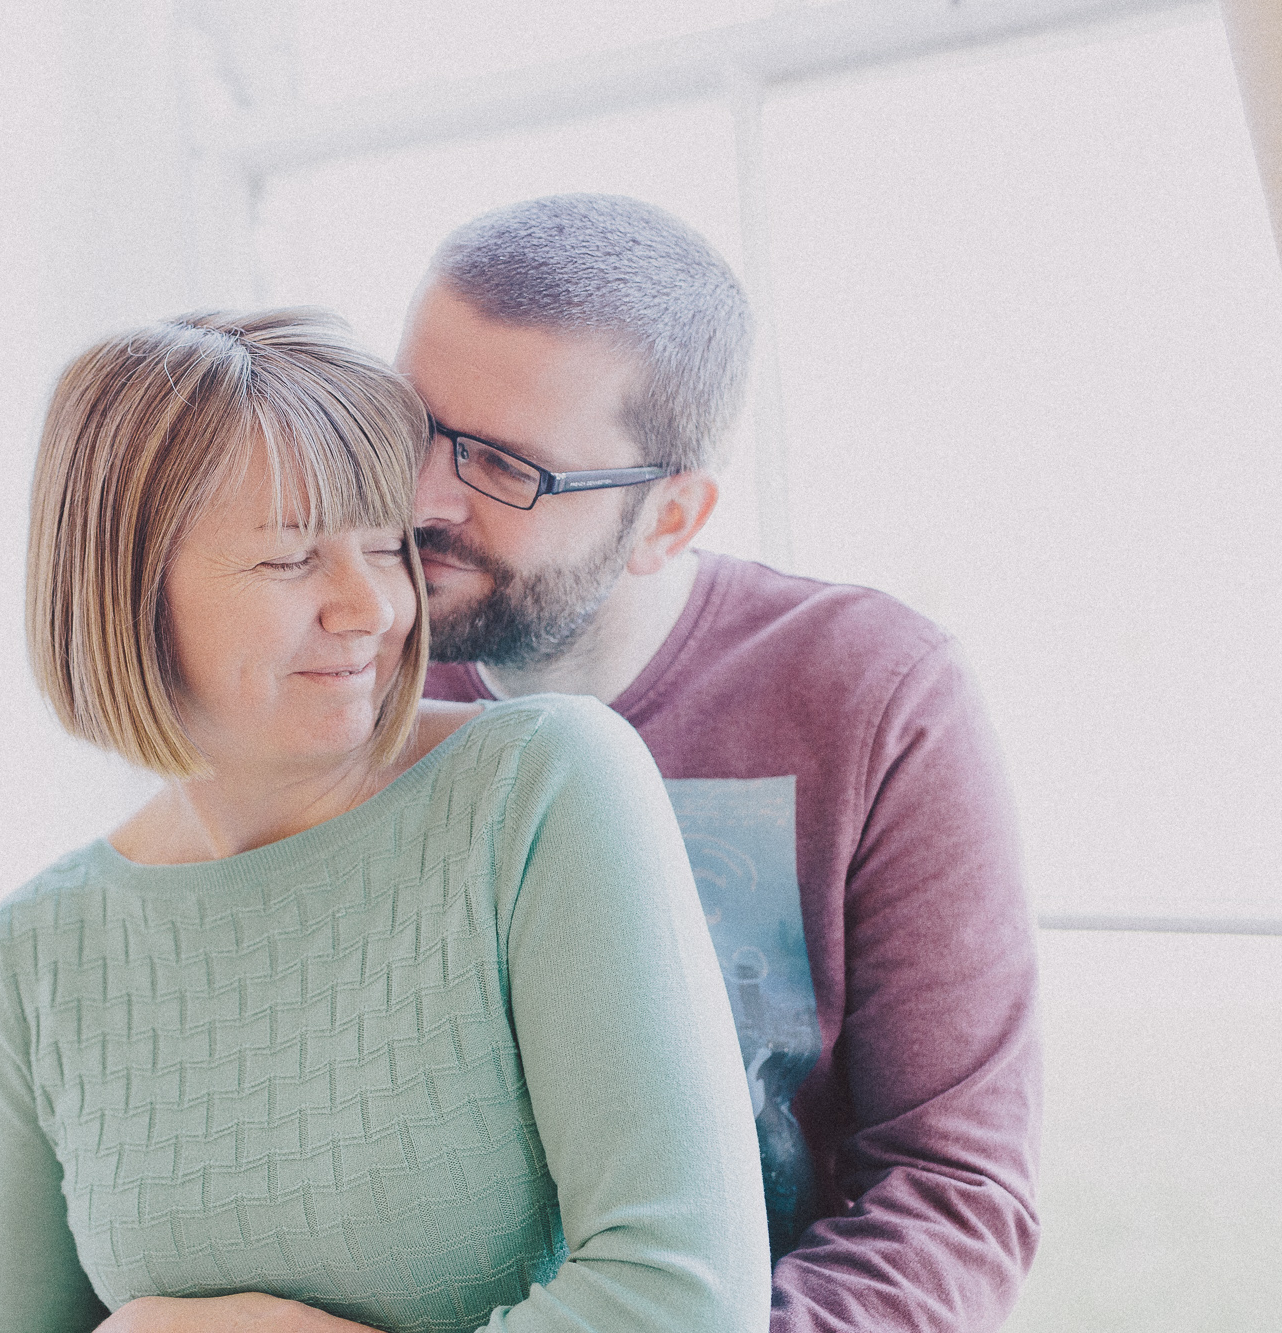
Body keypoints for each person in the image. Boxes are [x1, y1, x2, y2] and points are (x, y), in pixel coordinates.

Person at [0, 308, 770, 1333]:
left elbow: (681, 1303)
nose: (373, 607)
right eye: (291, 560)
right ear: (121, 586)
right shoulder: (35, 953)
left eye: (386, 544)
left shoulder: (540, 788)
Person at [401, 195, 1041, 1332]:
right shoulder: (350, 678)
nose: (420, 500)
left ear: (668, 516)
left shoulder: (871, 695)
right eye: (406, 422)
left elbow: (951, 1192)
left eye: (502, 466)